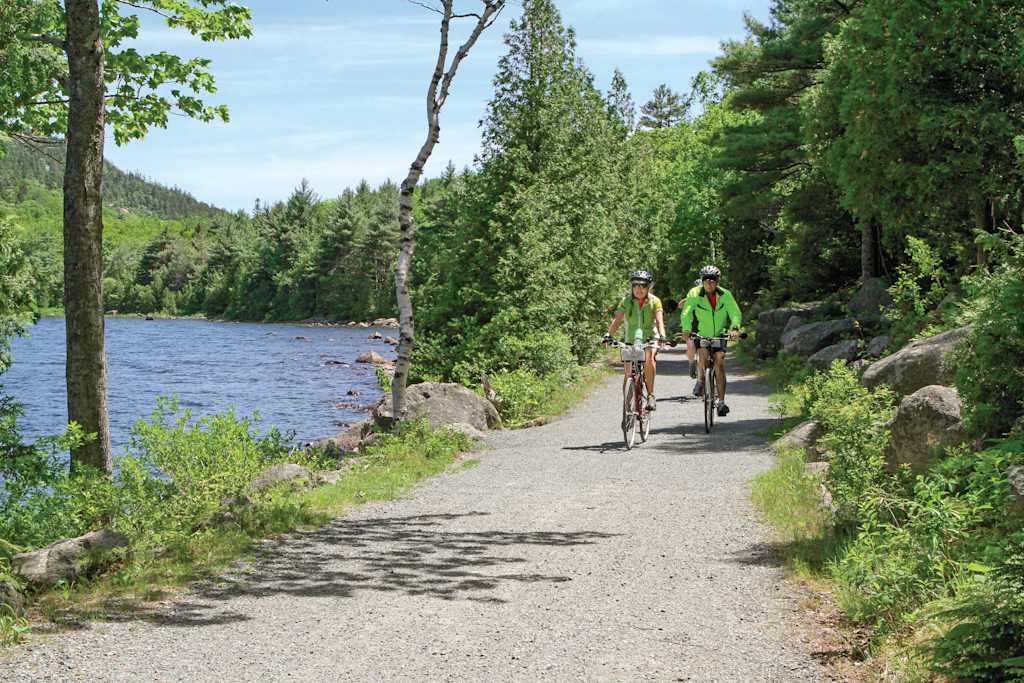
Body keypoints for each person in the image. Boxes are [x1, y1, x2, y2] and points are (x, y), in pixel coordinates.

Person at [680, 265, 742, 416]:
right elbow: (686, 312)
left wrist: (734, 328)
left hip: (719, 334)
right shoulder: (694, 293)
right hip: (703, 334)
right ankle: (701, 380)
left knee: (720, 361)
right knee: (702, 354)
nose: (709, 283)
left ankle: (721, 402)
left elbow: (735, 312)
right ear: (702, 281)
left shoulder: (725, 295)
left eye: (713, 280)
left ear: (717, 281)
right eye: (706, 280)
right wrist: (686, 329)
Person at [603, 270, 665, 411]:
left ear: (648, 287)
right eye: (635, 285)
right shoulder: (626, 301)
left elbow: (660, 321)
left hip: (650, 338)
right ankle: (628, 406)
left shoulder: (655, 301)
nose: (639, 289)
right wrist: (608, 334)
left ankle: (650, 395)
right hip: (631, 339)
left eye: (643, 285)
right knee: (628, 373)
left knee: (649, 359)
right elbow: (617, 320)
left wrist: (662, 336)